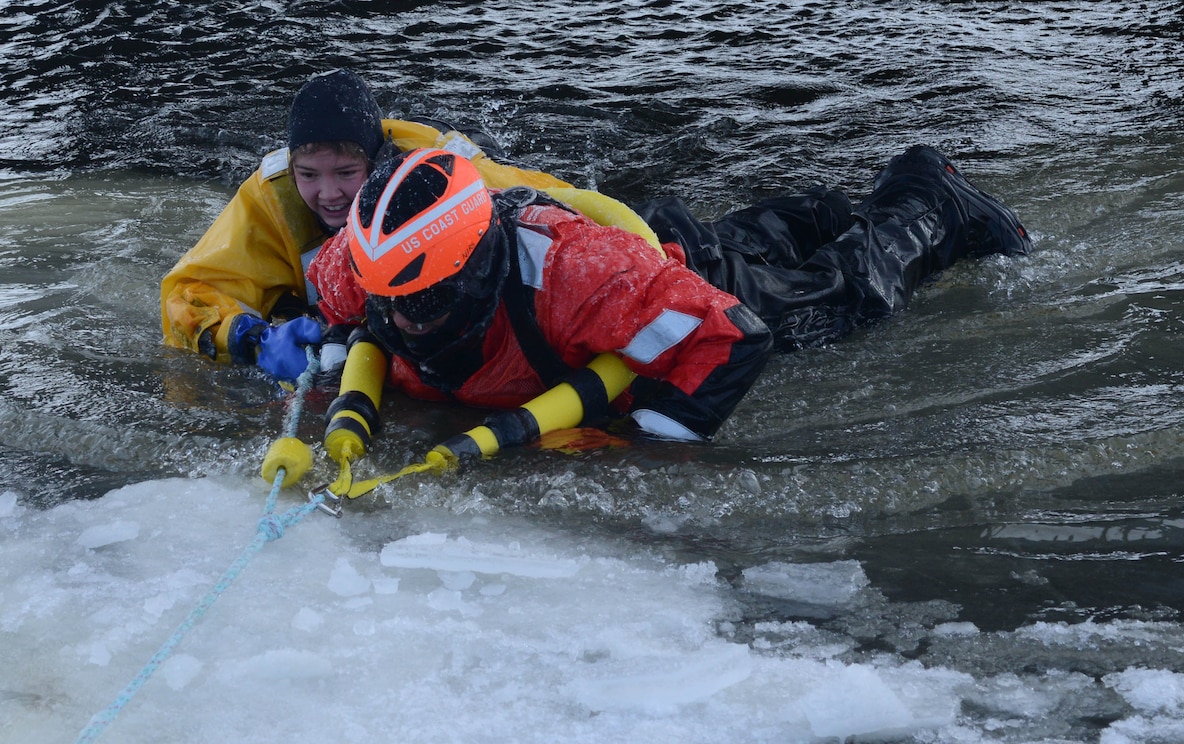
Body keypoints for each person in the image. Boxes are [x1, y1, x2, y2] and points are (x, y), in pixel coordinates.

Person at [307, 144, 1030, 466]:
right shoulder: (361, 261)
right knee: (739, 243)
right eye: (388, 300)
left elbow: (734, 336)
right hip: (651, 255)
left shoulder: (567, 275)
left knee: (849, 297)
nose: (401, 319)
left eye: (425, 298)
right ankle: (820, 211)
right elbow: (334, 304)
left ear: (473, 268)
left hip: (662, 284)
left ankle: (929, 195)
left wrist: (643, 445)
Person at [159, 69, 575, 382]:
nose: (329, 194)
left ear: (376, 163)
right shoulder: (273, 196)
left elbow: (552, 203)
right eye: (309, 175)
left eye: (345, 172)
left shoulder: (436, 179)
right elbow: (187, 294)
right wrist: (251, 340)